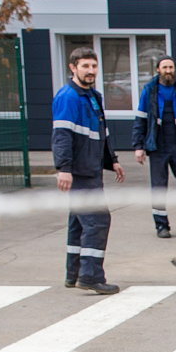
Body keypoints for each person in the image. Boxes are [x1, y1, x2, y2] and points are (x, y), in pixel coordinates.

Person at [52, 46, 125, 295]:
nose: (91, 70)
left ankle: (73, 274)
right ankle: (91, 276)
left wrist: (112, 160)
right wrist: (64, 168)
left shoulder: (94, 96)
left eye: (93, 66)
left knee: (79, 223)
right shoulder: (68, 97)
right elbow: (61, 135)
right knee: (97, 221)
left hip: (92, 169)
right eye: (85, 66)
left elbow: (101, 134)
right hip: (80, 172)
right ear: (73, 68)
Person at [131, 56, 176, 239]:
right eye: (164, 67)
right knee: (159, 187)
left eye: (171, 67)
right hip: (157, 147)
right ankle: (162, 226)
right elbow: (140, 120)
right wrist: (138, 146)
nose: (168, 70)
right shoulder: (149, 91)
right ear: (158, 70)